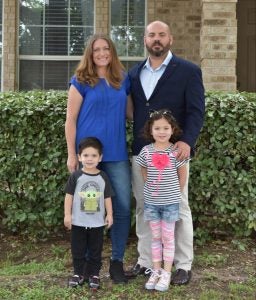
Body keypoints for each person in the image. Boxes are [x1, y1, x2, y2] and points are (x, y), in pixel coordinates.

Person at [126, 20, 205, 285]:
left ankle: (182, 265)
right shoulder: (134, 73)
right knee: (144, 206)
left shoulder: (188, 71)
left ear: (170, 39)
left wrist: (188, 142)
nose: (156, 39)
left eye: (161, 35)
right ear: (145, 40)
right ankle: (146, 262)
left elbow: (196, 111)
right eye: (151, 35)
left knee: (179, 207)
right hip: (143, 154)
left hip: (175, 155)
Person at [65, 34, 132, 283]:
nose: (102, 53)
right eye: (97, 50)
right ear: (90, 54)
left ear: (112, 52)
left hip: (115, 154)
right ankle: (83, 265)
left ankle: (116, 262)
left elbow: (130, 114)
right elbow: (70, 120)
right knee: (84, 209)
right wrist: (73, 154)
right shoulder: (80, 80)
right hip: (88, 157)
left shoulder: (122, 80)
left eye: (106, 49)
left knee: (123, 207)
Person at [136, 109, 189, 292]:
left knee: (168, 238)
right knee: (156, 237)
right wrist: (152, 187)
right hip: (152, 203)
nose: (161, 131)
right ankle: (156, 270)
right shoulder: (146, 151)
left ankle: (166, 272)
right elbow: (144, 171)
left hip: (170, 204)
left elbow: (182, 175)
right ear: (150, 130)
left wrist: (175, 192)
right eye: (157, 128)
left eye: (166, 128)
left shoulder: (176, 152)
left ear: (172, 130)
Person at [64, 137, 113, 290]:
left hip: (97, 223)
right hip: (78, 221)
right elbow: (69, 196)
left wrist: (109, 214)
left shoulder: (103, 177)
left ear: (100, 158)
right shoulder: (76, 176)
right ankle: (78, 274)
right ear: (79, 157)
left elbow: (107, 197)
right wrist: (67, 215)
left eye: (93, 156)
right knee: (77, 249)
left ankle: (94, 275)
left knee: (95, 250)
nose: (89, 159)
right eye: (85, 155)